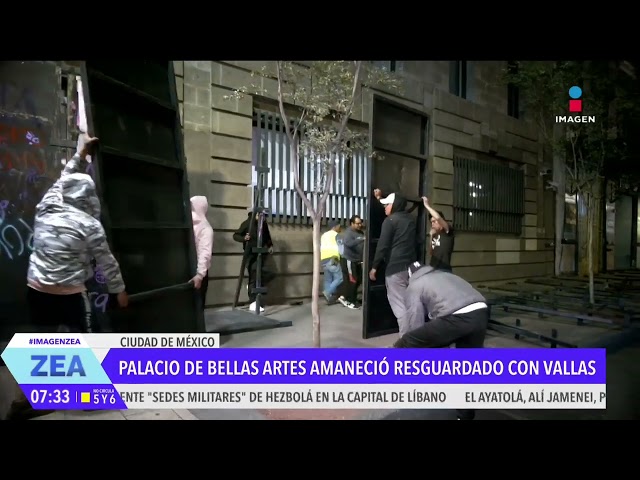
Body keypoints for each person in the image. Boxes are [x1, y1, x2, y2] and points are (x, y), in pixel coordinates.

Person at [27, 135, 128, 333]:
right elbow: (106, 261)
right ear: (90, 196)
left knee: (42, 342)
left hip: (36, 288)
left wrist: (82, 152)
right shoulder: (90, 225)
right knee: (82, 340)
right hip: (69, 293)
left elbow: (65, 179)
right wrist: (119, 290)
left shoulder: (48, 204)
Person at [394, 261, 489, 421]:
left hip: (457, 316)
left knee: (408, 340)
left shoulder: (415, 285)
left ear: (410, 275)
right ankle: (465, 416)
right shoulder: (446, 275)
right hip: (481, 312)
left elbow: (415, 321)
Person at [369, 192, 417, 328]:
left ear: (394, 205)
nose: (384, 207)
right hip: (412, 268)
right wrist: (379, 198)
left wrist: (374, 267)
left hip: (395, 268)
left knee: (400, 307)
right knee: (411, 304)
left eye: (387, 205)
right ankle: (415, 338)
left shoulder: (390, 221)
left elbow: (382, 246)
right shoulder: (410, 220)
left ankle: (406, 343)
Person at [233, 212, 276, 313]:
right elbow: (236, 235)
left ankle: (253, 290)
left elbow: (267, 236)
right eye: (261, 216)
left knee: (263, 275)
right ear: (255, 215)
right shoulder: (247, 224)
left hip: (262, 254)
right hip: (251, 254)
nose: (263, 218)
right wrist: (244, 238)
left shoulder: (263, 224)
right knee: (254, 275)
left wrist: (270, 245)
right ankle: (253, 301)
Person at [189, 196, 214, 313]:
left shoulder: (205, 228)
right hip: (192, 270)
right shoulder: (191, 225)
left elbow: (205, 253)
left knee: (197, 307)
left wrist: (199, 275)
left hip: (198, 273)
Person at [339, 214, 365, 308]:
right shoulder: (348, 232)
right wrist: (360, 240)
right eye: (357, 223)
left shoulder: (361, 233)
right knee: (353, 280)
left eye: (360, 223)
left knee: (359, 279)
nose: (359, 225)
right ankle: (350, 299)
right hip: (348, 259)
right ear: (352, 224)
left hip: (357, 260)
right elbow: (348, 243)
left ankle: (348, 297)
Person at [422, 196, 455, 272]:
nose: (432, 224)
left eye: (434, 221)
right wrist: (431, 236)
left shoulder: (447, 230)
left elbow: (438, 217)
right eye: (431, 222)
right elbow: (431, 252)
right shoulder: (435, 234)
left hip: (444, 269)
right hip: (433, 267)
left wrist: (427, 205)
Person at [320, 220, 343, 305]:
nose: (340, 228)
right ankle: (327, 291)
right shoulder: (336, 235)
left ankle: (329, 299)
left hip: (324, 259)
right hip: (333, 259)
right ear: (335, 227)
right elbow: (341, 247)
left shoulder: (323, 235)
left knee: (328, 279)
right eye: (339, 226)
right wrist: (343, 256)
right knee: (340, 278)